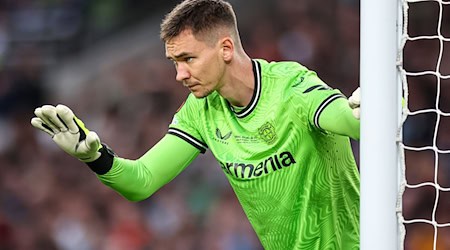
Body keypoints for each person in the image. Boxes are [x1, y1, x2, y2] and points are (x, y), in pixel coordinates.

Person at [31, 0, 361, 249]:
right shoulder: (201, 110)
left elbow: (347, 119)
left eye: (188, 59)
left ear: (226, 49)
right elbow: (142, 181)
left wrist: (374, 108)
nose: (180, 75)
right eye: (175, 62)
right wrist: (95, 156)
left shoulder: (290, 86)